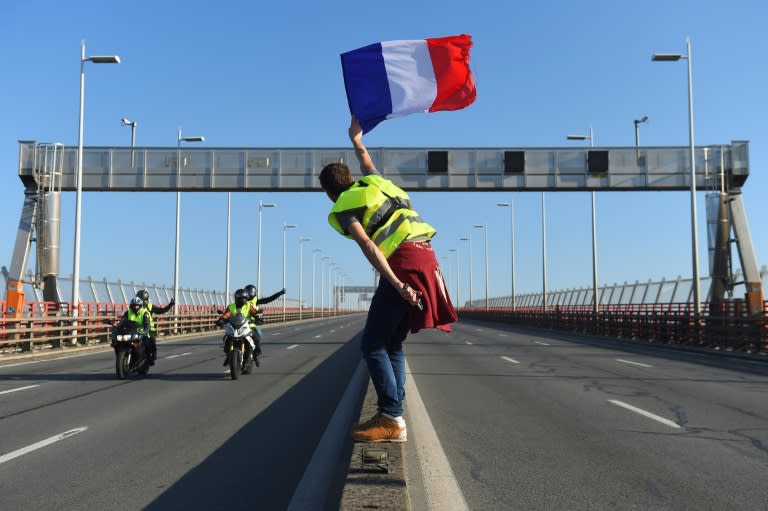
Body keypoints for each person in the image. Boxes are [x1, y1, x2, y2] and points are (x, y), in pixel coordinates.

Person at [319, 116, 457, 443]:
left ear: (328, 192)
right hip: (427, 256)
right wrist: (356, 138)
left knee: (372, 344)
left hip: (404, 263)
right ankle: (394, 414)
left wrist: (397, 285)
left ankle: (391, 416)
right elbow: (366, 159)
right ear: (351, 178)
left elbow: (368, 245)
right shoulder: (376, 183)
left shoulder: (344, 207)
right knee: (392, 342)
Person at [216, 288, 259, 366]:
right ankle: (228, 355)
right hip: (234, 325)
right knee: (225, 338)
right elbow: (227, 314)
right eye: (240, 298)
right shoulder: (231, 306)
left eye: (244, 298)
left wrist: (258, 317)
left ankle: (254, 355)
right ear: (236, 298)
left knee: (256, 338)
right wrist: (221, 319)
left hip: (246, 326)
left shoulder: (248, 306)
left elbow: (254, 313)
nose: (242, 300)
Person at [242, 284, 286, 361]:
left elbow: (269, 299)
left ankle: (257, 350)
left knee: (258, 334)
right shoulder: (241, 301)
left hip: (252, 323)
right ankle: (230, 354)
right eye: (247, 292)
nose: (249, 293)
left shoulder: (256, 301)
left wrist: (279, 293)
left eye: (251, 292)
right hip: (241, 322)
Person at [136, 289, 175, 366]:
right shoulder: (133, 306)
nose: (142, 301)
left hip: (148, 328)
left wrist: (170, 304)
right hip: (135, 328)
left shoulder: (149, 306)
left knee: (151, 341)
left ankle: (152, 356)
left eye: (142, 299)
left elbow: (161, 310)